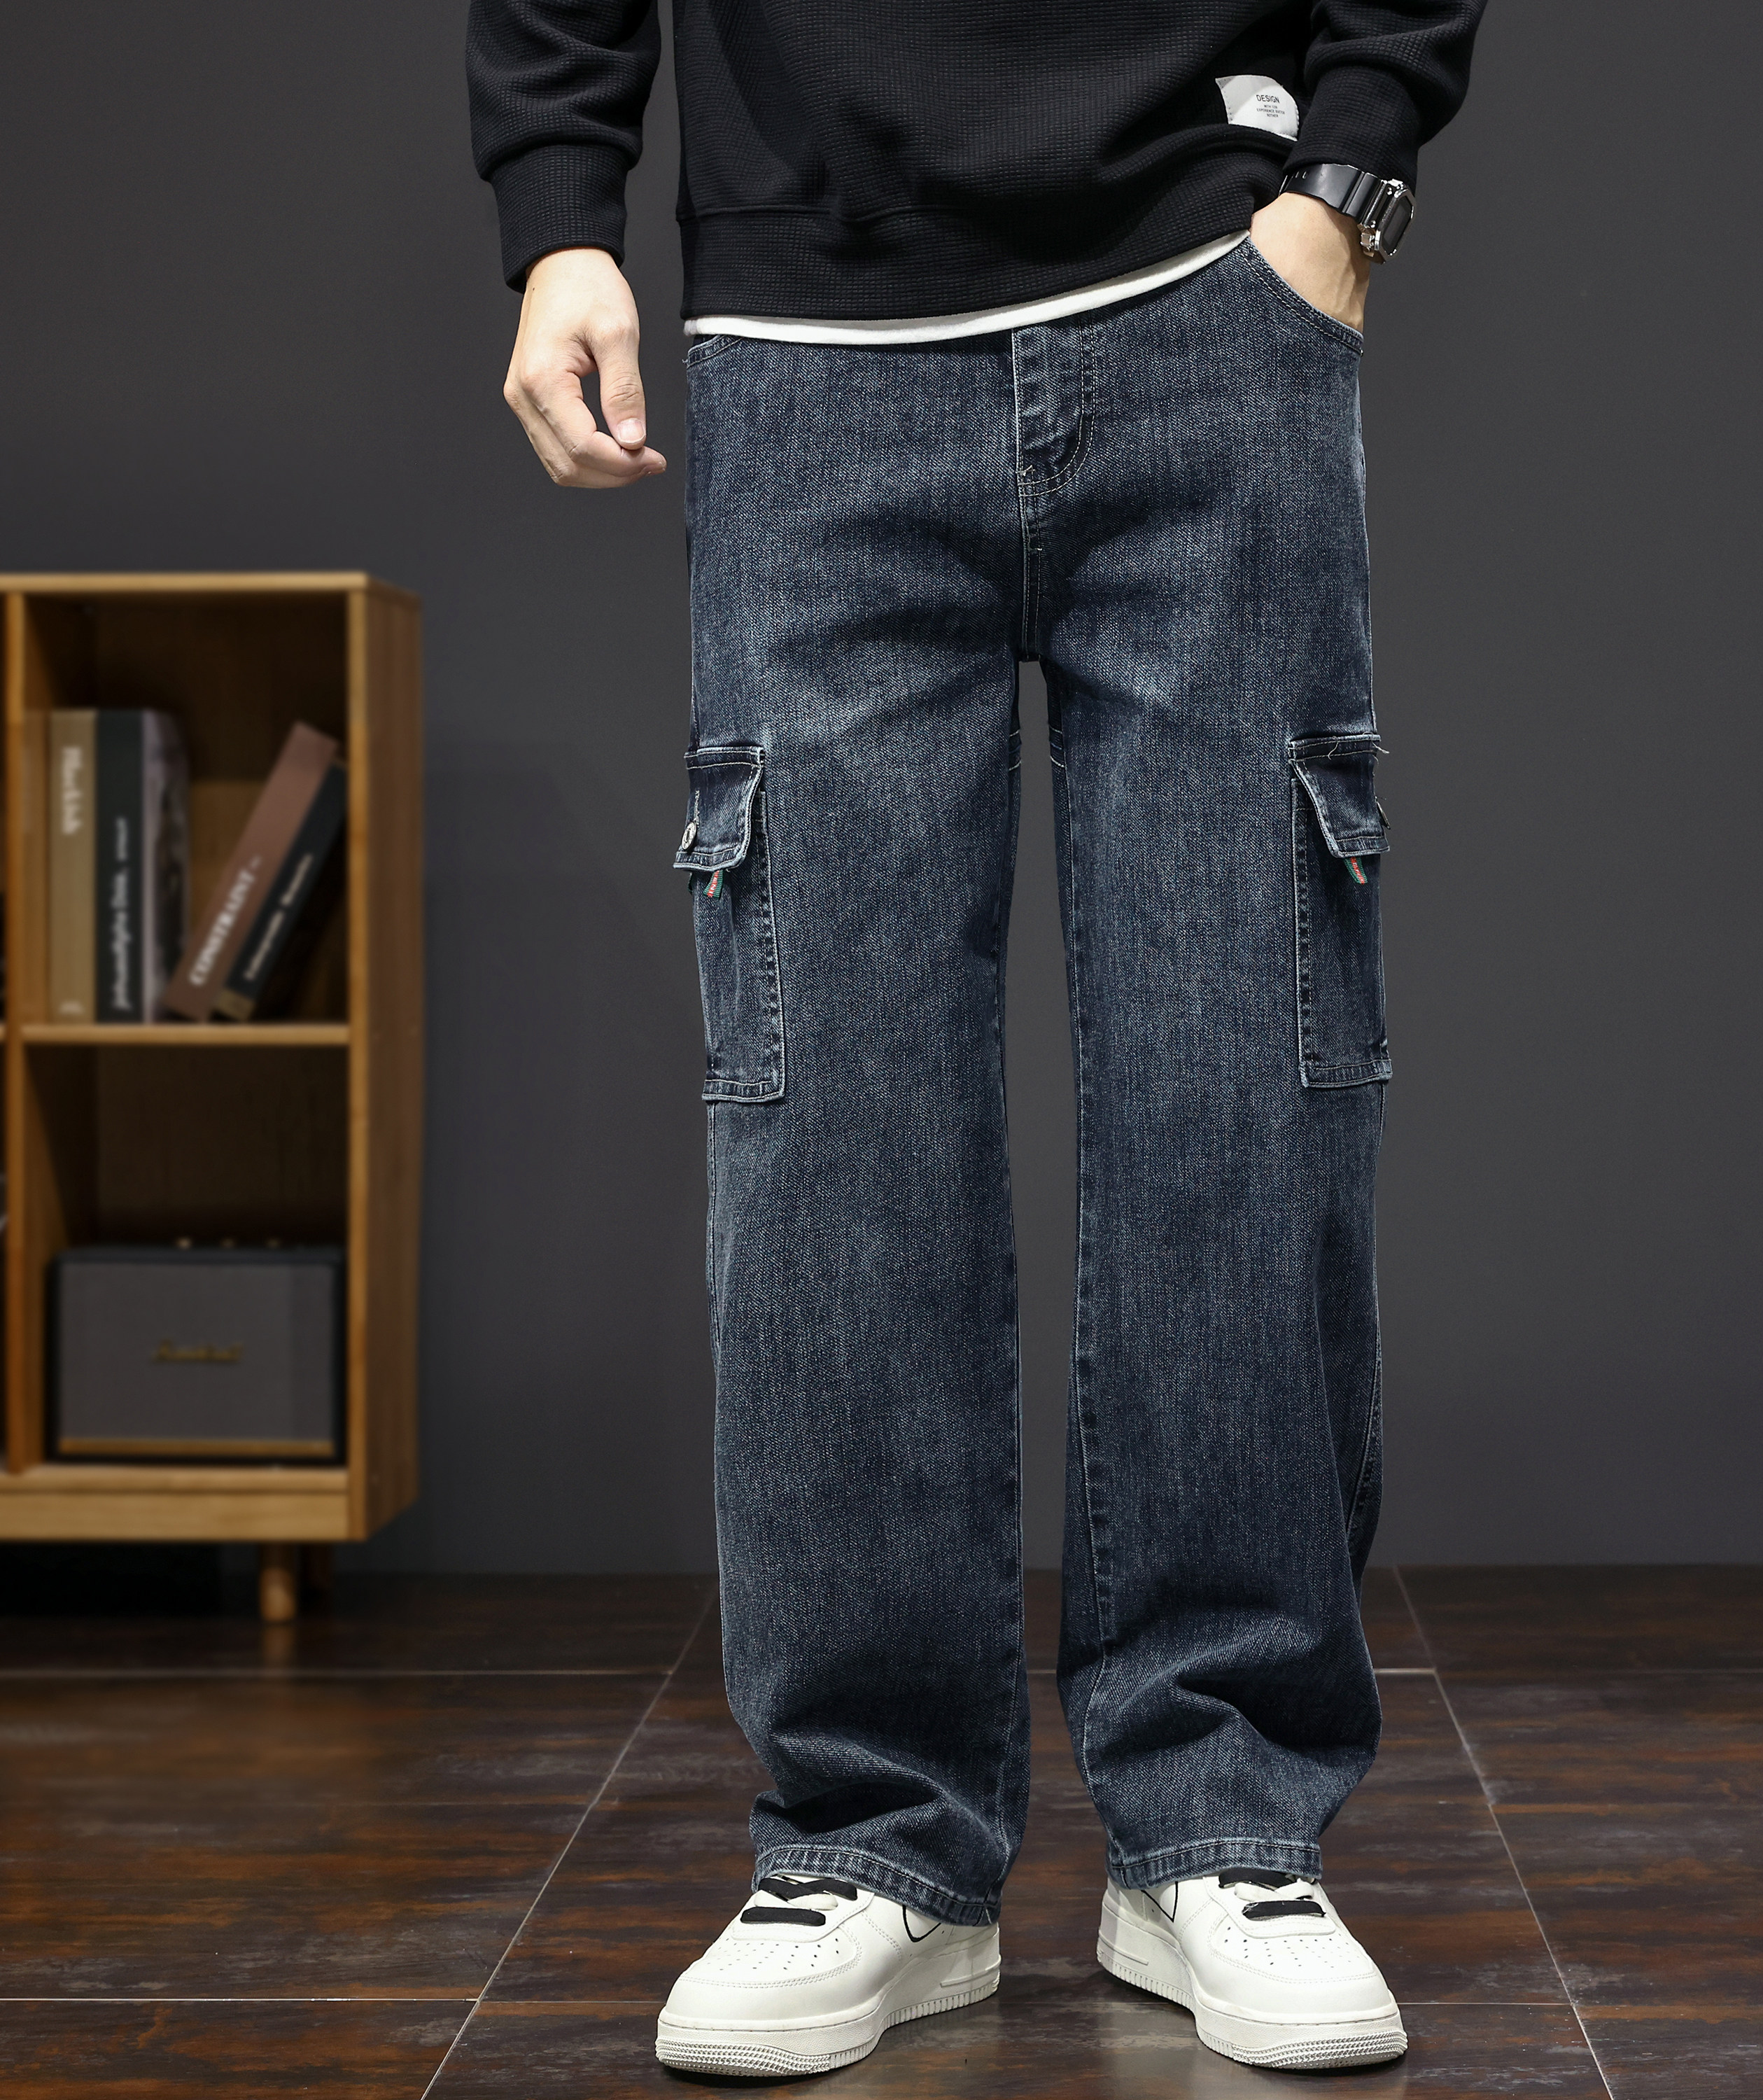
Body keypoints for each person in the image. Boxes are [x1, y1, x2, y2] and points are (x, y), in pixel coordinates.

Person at [468, 1, 1482, 2075]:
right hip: (809, 335)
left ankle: (1222, 1822)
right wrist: (562, 213)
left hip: (1210, 288)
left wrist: (1352, 177)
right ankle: (871, 1847)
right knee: (832, 1126)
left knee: (1240, 1091)